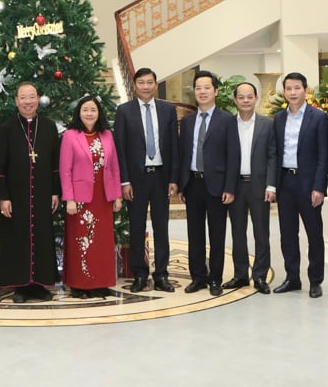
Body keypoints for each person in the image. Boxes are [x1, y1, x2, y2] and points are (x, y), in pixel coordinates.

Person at [113, 67, 179, 293]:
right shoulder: (124, 111)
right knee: (136, 227)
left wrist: (173, 178)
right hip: (136, 180)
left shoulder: (168, 110)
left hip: (161, 176)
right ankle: (140, 274)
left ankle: (161, 274)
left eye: (149, 82)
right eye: (141, 82)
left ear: (155, 84)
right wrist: (124, 181)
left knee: (162, 227)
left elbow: (174, 146)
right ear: (134, 85)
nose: (146, 86)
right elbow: (120, 149)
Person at [0, 82, 61, 303]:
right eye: (23, 97)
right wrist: (3, 197)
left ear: (38, 99)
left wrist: (55, 192)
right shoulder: (7, 128)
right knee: (16, 238)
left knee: (42, 237)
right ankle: (21, 285)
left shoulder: (49, 127)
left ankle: (40, 284)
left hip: (42, 194)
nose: (28, 102)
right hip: (16, 195)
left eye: (32, 97)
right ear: (16, 101)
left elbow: (54, 164)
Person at [178, 70, 240, 296]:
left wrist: (230, 187)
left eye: (206, 88)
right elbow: (183, 153)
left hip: (217, 186)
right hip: (193, 184)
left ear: (215, 91)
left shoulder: (227, 120)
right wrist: (181, 183)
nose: (202, 92)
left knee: (217, 235)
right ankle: (198, 278)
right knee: (194, 234)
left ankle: (215, 278)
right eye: (198, 88)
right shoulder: (187, 121)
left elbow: (234, 156)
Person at [60, 95, 123, 298]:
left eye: (93, 110)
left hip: (103, 197)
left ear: (99, 113)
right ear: (79, 112)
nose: (89, 113)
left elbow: (113, 168)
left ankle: (101, 283)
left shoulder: (107, 135)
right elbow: (65, 170)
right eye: (85, 109)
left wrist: (117, 196)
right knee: (81, 241)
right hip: (79, 200)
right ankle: (80, 285)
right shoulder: (70, 135)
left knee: (102, 242)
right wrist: (69, 198)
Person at [272, 72, 328, 298]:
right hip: (285, 182)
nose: (292, 93)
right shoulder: (278, 118)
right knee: (287, 234)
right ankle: (292, 277)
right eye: (288, 88)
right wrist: (273, 185)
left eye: (297, 88)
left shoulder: (318, 117)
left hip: (308, 184)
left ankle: (316, 280)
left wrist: (319, 187)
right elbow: (275, 153)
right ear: (284, 92)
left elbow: (324, 154)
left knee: (314, 234)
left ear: (305, 91)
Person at [224, 81, 276, 294]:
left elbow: (273, 155)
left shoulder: (267, 124)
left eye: (249, 96)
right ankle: (240, 275)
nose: (245, 100)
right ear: (235, 100)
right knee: (237, 233)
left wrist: (271, 185)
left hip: (260, 186)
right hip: (235, 186)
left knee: (261, 233)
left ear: (256, 98)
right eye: (241, 97)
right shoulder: (227, 124)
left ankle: (260, 276)